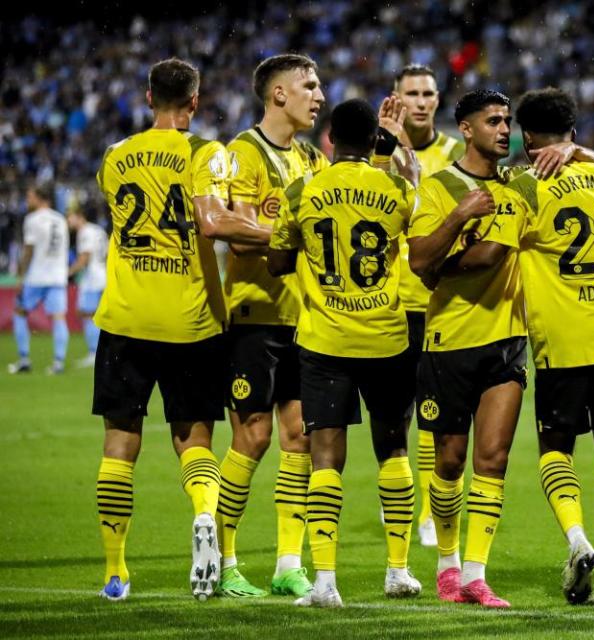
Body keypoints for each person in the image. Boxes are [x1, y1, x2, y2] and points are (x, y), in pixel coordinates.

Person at [407, 89, 594, 608]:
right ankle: (447, 565)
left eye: (508, 121)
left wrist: (573, 151)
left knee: (492, 460)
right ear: (467, 129)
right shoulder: (439, 187)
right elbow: (417, 259)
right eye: (493, 121)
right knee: (449, 462)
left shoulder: (523, 185)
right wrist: (458, 217)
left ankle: (476, 575)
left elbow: (465, 261)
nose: (504, 130)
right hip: (450, 339)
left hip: (507, 342)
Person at [448, 88, 594, 605]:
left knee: (556, 448)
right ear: (573, 134)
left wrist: (443, 263)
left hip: (564, 337)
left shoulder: (527, 187)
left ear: (527, 137)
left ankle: (577, 538)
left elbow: (489, 254)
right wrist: (584, 154)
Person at [93, 57, 273, 602]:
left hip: (125, 318)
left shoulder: (115, 157)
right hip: (191, 320)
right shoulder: (204, 152)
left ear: (148, 97)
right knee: (193, 438)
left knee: (119, 444)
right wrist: (274, 227)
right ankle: (202, 518)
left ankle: (115, 571)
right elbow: (212, 220)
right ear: (194, 102)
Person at [266, 98, 420, 608]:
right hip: (386, 337)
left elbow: (278, 260)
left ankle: (326, 582)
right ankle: (398, 571)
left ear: (330, 137)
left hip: (326, 339)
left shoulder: (302, 190)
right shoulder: (396, 187)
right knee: (394, 448)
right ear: (374, 136)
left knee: (326, 455)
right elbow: (414, 243)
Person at [215, 53, 329, 599]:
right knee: (253, 437)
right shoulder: (243, 152)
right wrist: (292, 230)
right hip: (253, 318)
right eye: (309, 86)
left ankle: (288, 563)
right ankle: (221, 560)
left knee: (298, 437)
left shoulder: (311, 158)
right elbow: (236, 233)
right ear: (278, 94)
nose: (319, 96)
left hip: (301, 317)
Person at [380, 63, 466, 548]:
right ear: (396, 97)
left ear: (437, 100)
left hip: (442, 304)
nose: (419, 100)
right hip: (394, 303)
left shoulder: (457, 152)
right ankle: (398, 495)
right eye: (410, 92)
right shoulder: (380, 155)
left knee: (439, 416)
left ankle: (435, 512)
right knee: (396, 415)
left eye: (427, 93)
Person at [8, 183, 69, 375]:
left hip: (37, 276)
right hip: (58, 276)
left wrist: (20, 276)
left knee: (20, 312)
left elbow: (28, 251)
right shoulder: (61, 219)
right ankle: (58, 362)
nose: (27, 201)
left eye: (30, 197)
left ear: (40, 198)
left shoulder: (32, 219)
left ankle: (24, 359)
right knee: (59, 317)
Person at [67, 207, 108, 367]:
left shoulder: (84, 232)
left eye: (70, 216)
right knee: (100, 317)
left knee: (86, 314)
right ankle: (103, 353)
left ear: (79, 216)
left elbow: (85, 257)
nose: (68, 220)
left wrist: (68, 272)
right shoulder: (99, 230)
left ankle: (94, 353)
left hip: (91, 279)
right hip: (104, 275)